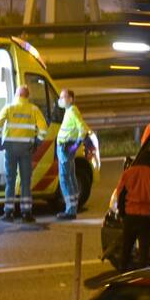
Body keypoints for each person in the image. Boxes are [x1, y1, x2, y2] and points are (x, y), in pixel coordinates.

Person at [0, 84, 48, 223]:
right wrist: (37, 142)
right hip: (26, 149)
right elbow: (43, 129)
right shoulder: (33, 109)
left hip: (10, 148)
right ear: (27, 96)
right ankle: (26, 213)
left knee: (10, 180)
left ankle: (8, 212)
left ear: (17, 95)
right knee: (25, 181)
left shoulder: (9, 108)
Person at [115, 150, 150, 272]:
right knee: (143, 251)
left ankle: (122, 273)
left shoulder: (127, 173)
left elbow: (120, 194)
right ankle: (141, 275)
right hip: (146, 217)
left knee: (126, 248)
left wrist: (122, 212)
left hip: (130, 216)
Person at [55, 88, 90, 220]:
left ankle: (70, 210)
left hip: (65, 148)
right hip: (66, 148)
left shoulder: (73, 111)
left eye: (63, 97)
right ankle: (73, 206)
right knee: (70, 177)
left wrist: (76, 144)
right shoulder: (69, 111)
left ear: (71, 99)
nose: (61, 100)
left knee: (65, 178)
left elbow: (83, 128)